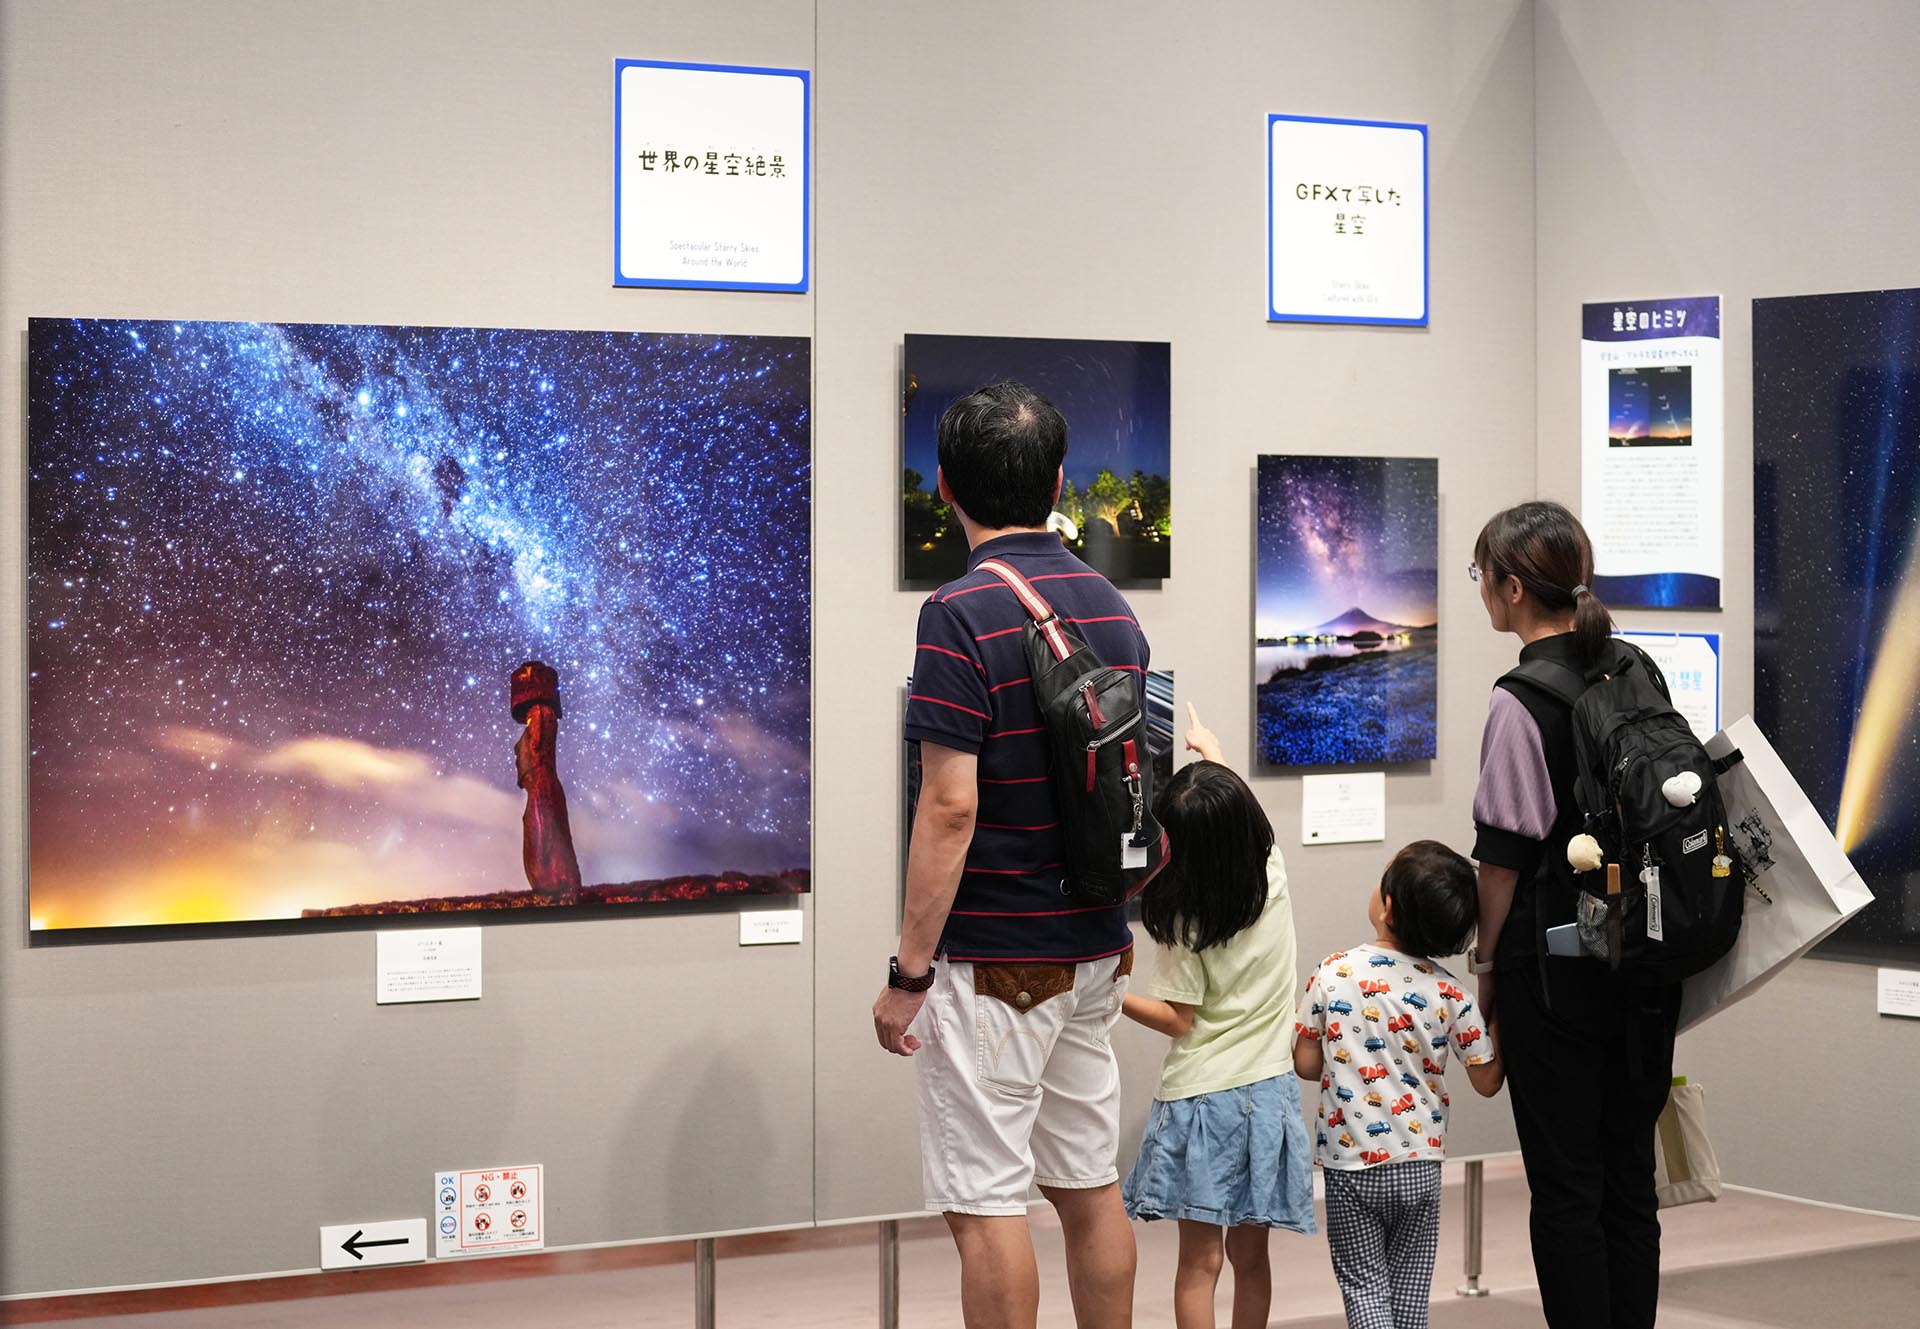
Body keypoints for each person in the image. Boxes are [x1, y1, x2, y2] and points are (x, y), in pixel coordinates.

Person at [873, 380, 1151, 1329]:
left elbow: (949, 808)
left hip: (998, 953)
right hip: (1094, 945)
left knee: (987, 1201)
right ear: (1060, 479)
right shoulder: (1110, 602)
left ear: (945, 483)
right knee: (1086, 1182)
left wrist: (909, 972)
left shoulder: (958, 612)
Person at [1466, 500, 1680, 1329]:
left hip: (1555, 979)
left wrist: (1486, 969)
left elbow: (1504, 857)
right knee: (1630, 1181)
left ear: (1513, 587)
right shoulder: (1634, 667)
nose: (1482, 587)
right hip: (1646, 967)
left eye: (1483, 573)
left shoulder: (1519, 699)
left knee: (1565, 1189)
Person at [1120, 703, 1314, 1329]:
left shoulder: (1183, 921)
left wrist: (1108, 994)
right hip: (1269, 1093)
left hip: (1203, 1099)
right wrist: (1213, 754)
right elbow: (1235, 817)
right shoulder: (1271, 874)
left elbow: (1179, 1020)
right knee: (1251, 1261)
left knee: (1198, 1265)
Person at [1293, 841, 1503, 1329]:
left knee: (1365, 1288)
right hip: (1421, 1165)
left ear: (1387, 907)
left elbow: (1306, 1065)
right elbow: (1487, 1080)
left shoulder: (1332, 973)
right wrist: (1505, 1011)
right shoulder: (1452, 993)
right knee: (1410, 1296)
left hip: (1352, 1165)